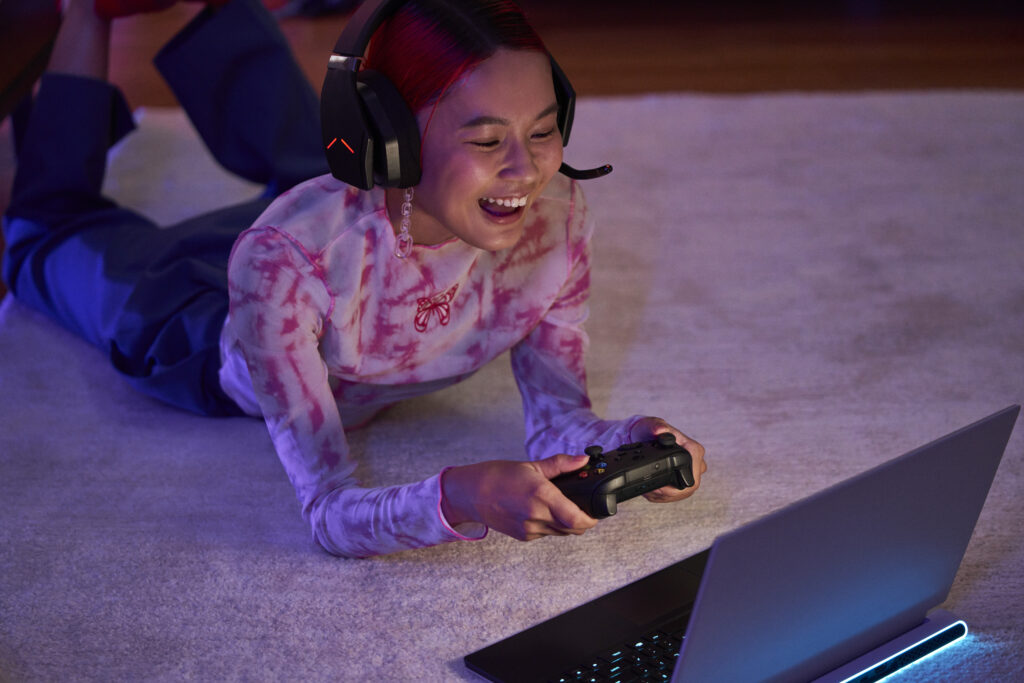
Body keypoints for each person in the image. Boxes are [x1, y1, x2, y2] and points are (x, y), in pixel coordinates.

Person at [2, 0, 707, 558]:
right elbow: (329, 511)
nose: (527, 171)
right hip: (194, 321)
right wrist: (459, 495)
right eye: (489, 141)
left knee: (311, 158)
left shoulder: (554, 221)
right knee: (38, 235)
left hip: (351, 236)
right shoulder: (287, 257)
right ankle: (91, 10)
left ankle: (213, 10)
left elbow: (560, 419)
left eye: (545, 130)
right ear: (388, 137)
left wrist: (639, 439)